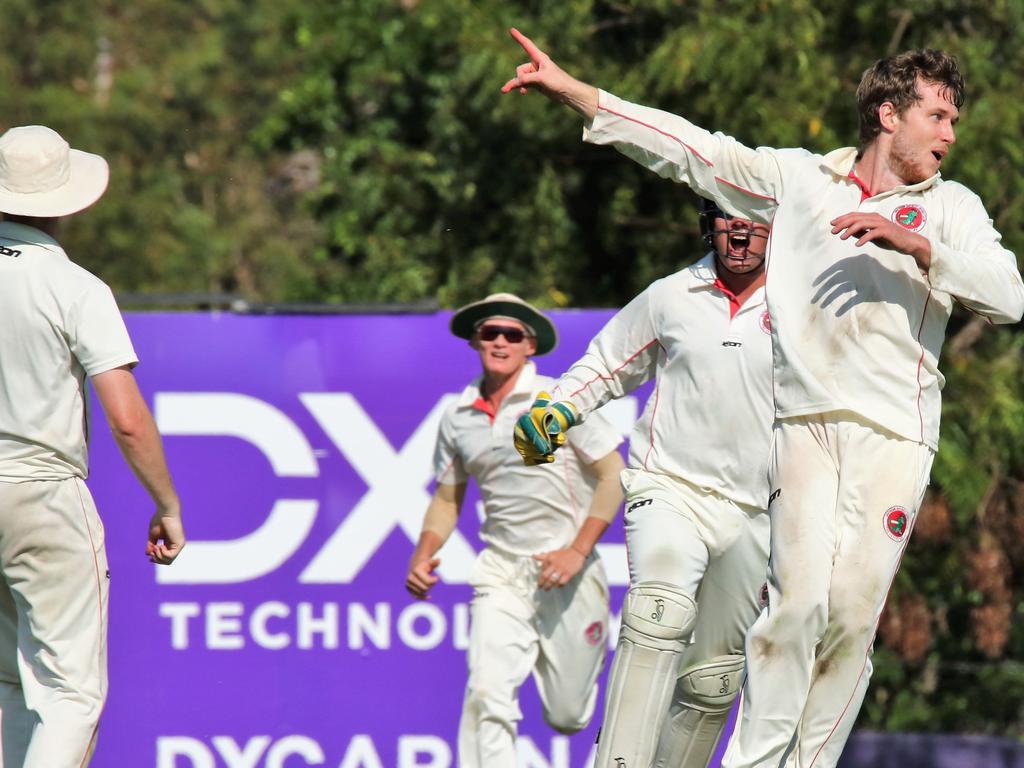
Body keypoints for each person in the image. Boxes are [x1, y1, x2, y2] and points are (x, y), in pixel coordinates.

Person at [502, 30, 1024, 768]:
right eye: (937, 117)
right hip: (803, 430)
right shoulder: (799, 181)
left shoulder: (951, 208)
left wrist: (921, 249)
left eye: (955, 122)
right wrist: (578, 94)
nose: (949, 135)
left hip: (895, 438)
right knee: (793, 614)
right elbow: (687, 149)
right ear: (887, 114)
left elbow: (1011, 296)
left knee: (847, 620)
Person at [514, 199, 774, 768]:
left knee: (714, 679)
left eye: (755, 219)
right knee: (659, 611)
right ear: (711, 224)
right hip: (671, 486)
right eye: (728, 216)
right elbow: (607, 363)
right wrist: (558, 409)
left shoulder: (803, 303)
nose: (740, 231)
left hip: (759, 509)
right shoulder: (671, 295)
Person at [0, 125, 186, 767]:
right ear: (65, 201)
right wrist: (166, 504)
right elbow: (127, 420)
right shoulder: (76, 286)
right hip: (44, 494)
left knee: (12, 684)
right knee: (71, 696)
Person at [405, 293, 624, 768]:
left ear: (531, 347)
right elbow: (447, 499)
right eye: (490, 333)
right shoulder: (458, 416)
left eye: (512, 335)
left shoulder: (554, 400)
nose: (500, 342)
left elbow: (613, 476)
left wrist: (576, 551)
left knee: (568, 716)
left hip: (569, 570)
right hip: (501, 570)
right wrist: (423, 554)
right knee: (486, 693)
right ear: (475, 342)